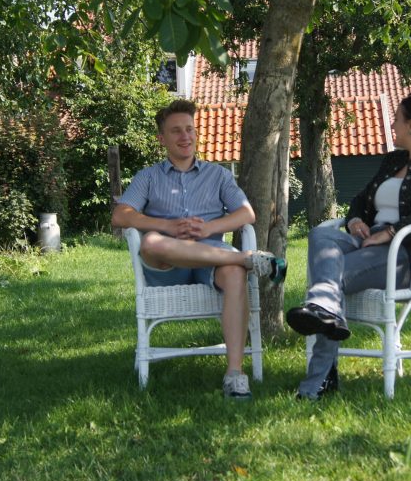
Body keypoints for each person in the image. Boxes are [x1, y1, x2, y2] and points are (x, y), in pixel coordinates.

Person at [286, 91, 411, 400]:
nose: (392, 125)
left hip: (407, 254)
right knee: (320, 236)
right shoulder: (393, 160)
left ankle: (318, 380)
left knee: (326, 283)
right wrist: (355, 221)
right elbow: (362, 198)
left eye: (397, 119)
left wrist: (389, 232)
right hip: (368, 240)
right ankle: (326, 317)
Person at [112, 99, 287, 400]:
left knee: (232, 273)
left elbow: (246, 214)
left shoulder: (217, 175)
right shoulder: (148, 177)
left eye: (190, 129)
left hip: (209, 259)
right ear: (162, 138)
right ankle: (248, 260)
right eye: (176, 131)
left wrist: (209, 228)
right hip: (167, 264)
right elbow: (120, 216)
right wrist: (165, 226)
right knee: (151, 241)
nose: (185, 137)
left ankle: (235, 374)